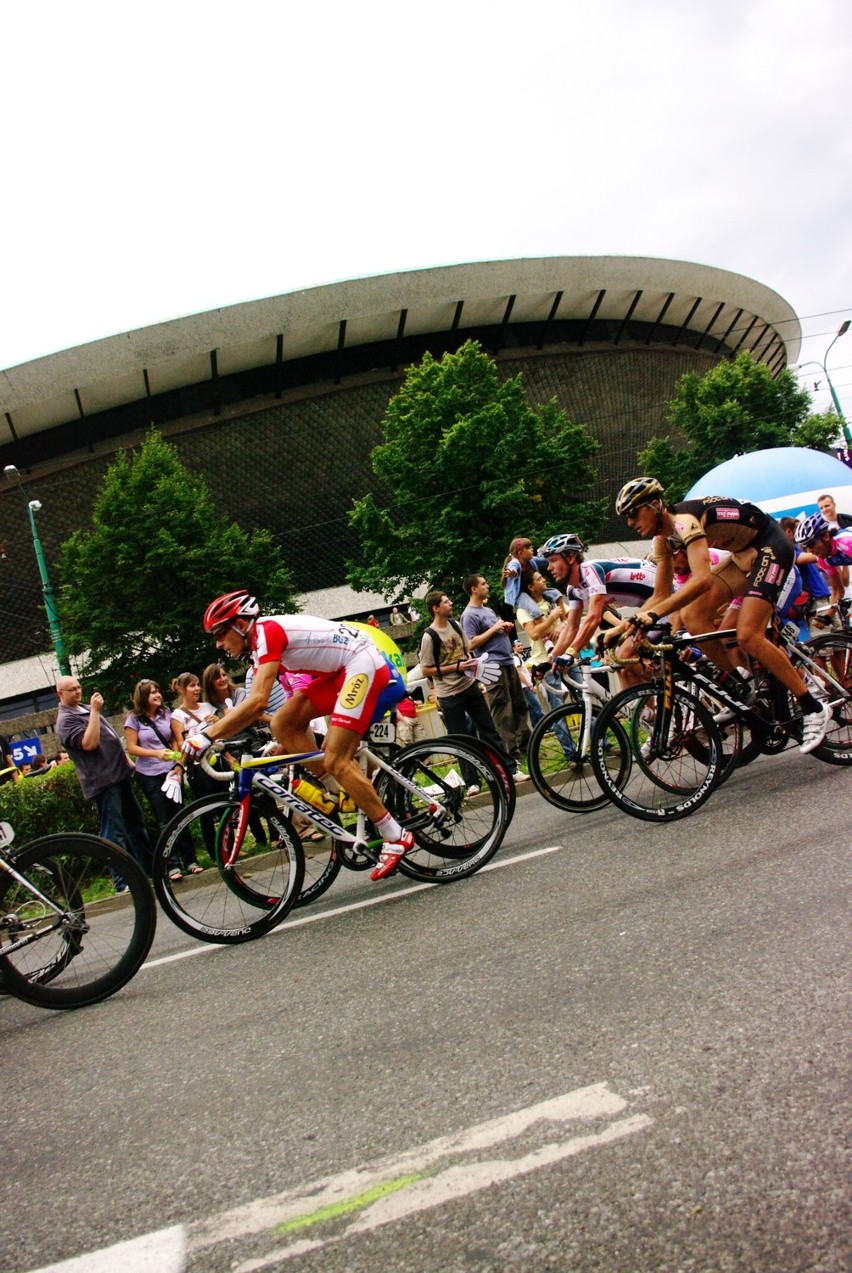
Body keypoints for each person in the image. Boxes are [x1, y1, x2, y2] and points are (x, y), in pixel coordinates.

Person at [183, 592, 471, 881]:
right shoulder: (259, 648)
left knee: (336, 758)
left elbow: (257, 702)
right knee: (282, 724)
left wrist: (206, 736)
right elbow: (263, 706)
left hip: (361, 664)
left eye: (220, 633)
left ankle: (394, 835)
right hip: (339, 673)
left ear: (241, 624)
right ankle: (336, 791)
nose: (219, 643)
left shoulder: (267, 633)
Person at [609, 477, 832, 754]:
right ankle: (740, 686)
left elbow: (701, 580)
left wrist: (652, 616)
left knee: (748, 635)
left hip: (770, 546)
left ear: (655, 505)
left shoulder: (684, 521)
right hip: (743, 554)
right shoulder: (662, 542)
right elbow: (661, 595)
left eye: (633, 513)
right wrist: (620, 629)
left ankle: (813, 706)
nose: (630, 522)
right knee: (692, 615)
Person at [55, 676, 153, 885]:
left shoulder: (83, 709)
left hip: (118, 773)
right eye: (71, 689)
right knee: (113, 830)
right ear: (60, 694)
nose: (77, 691)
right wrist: (95, 712)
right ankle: (121, 881)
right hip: (103, 781)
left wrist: (126, 760)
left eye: (79, 687)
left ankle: (148, 869)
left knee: (135, 822)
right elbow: (89, 743)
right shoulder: (66, 720)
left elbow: (111, 737)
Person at [418, 590, 505, 793]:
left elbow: (467, 649)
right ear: (436, 608)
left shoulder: (456, 625)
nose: (451, 603)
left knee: (489, 729)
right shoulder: (429, 636)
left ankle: (506, 769)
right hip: (449, 694)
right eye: (446, 601)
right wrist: (456, 667)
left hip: (469, 686)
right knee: (461, 739)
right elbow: (426, 669)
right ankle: (472, 781)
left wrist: (473, 665)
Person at [125, 679, 201, 881]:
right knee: (163, 820)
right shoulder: (133, 719)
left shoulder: (167, 714)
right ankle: (173, 864)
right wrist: (156, 753)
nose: (157, 695)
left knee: (180, 814)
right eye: (152, 693)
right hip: (149, 774)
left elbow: (177, 738)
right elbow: (132, 748)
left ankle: (191, 860)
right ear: (143, 697)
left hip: (172, 771)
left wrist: (178, 764)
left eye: (158, 691)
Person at [460, 574, 531, 780]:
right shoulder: (469, 615)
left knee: (519, 706)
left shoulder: (488, 610)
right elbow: (470, 644)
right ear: (474, 589)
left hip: (507, 661)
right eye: (483, 584)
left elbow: (494, 632)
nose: (487, 585)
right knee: (502, 711)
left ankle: (526, 748)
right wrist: (494, 628)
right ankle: (510, 754)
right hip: (492, 666)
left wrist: (504, 628)